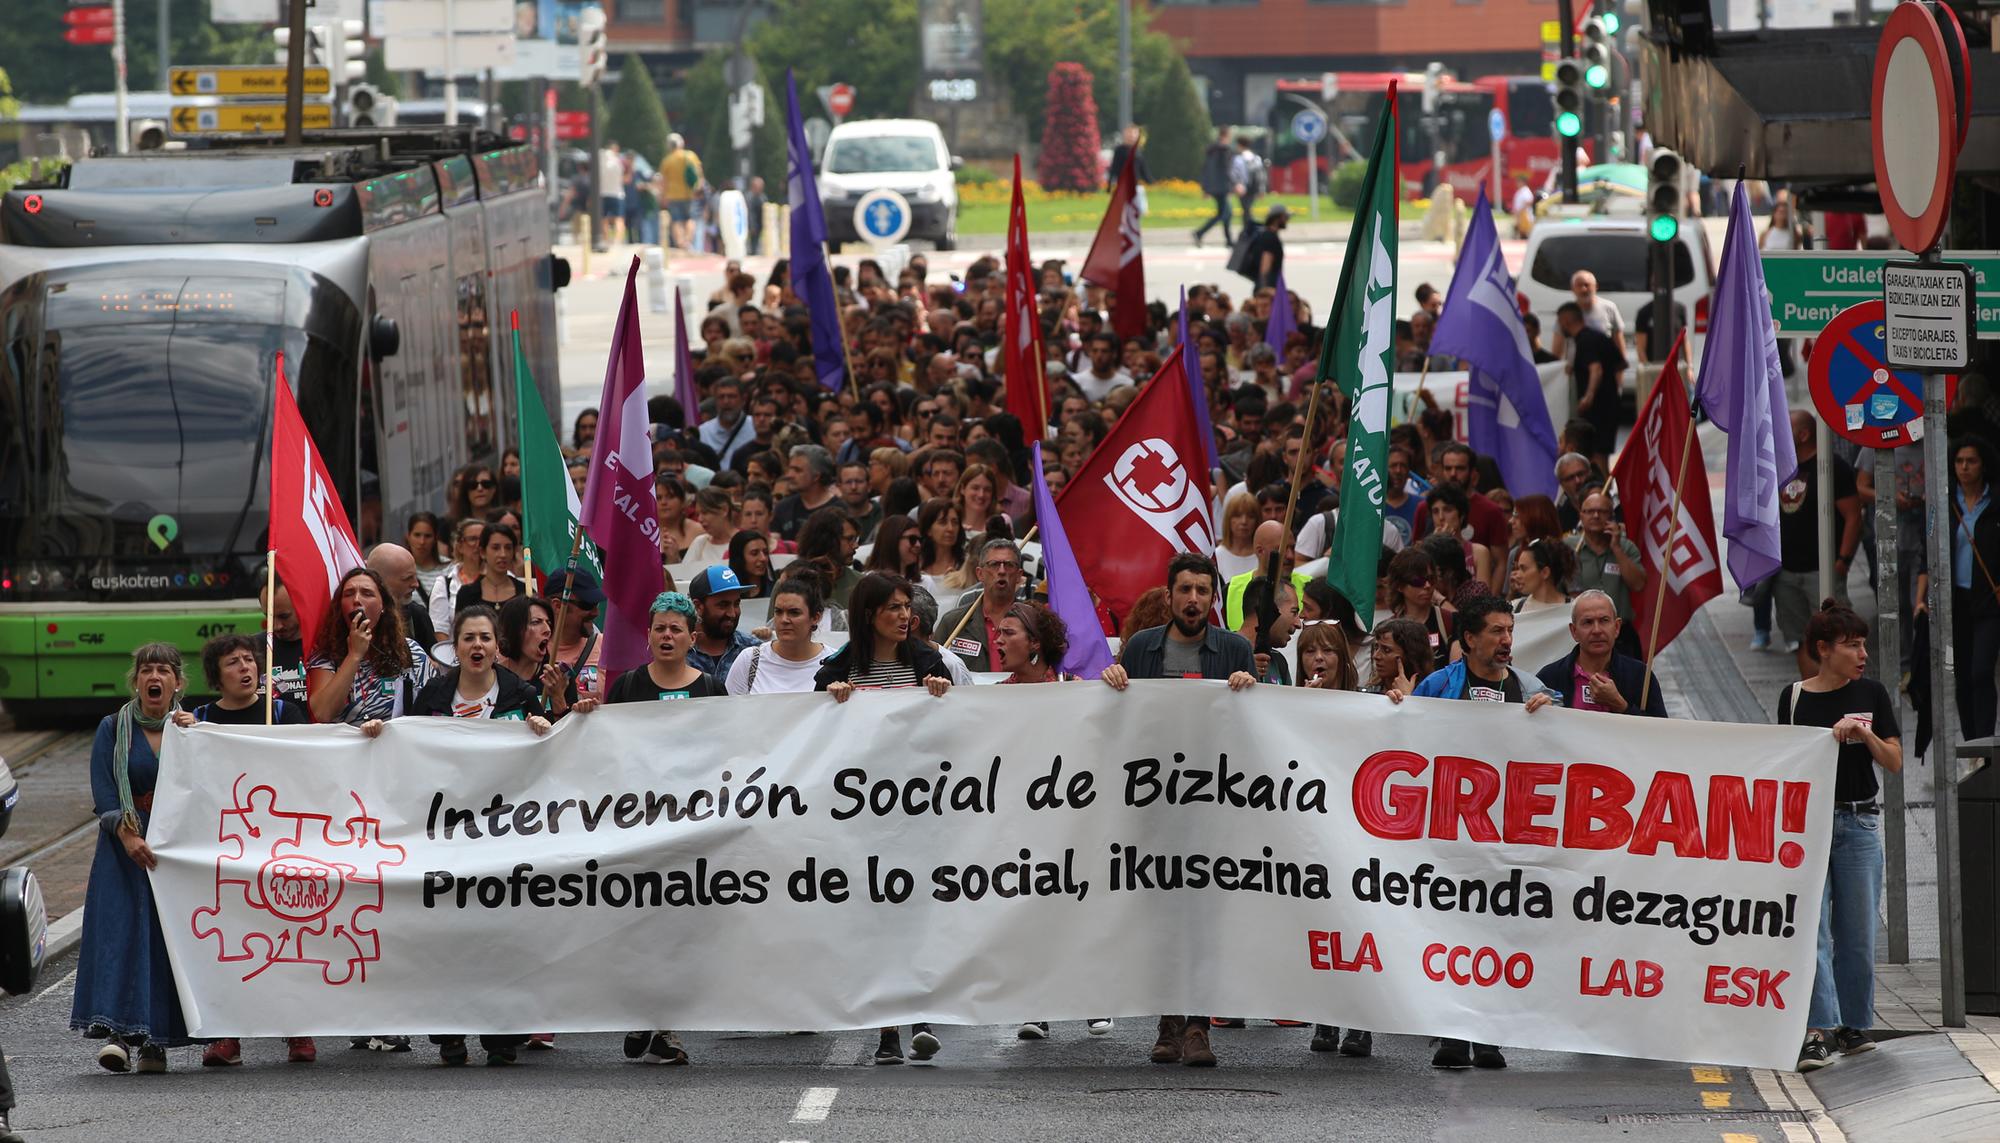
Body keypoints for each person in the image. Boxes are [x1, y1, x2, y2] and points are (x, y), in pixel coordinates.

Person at [1388, 594, 1558, 1070]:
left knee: (1498, 933)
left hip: (1505, 839)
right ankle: (1451, 1032)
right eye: (1497, 632)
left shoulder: (1531, 689)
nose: (1507, 641)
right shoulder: (1440, 686)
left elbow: (1565, 748)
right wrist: (1398, 708)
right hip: (1447, 839)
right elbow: (1402, 742)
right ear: (1469, 639)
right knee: (1450, 932)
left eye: (1510, 631)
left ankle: (1488, 1032)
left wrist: (1554, 714)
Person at [1098, 553, 1256, 1068]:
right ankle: (1168, 1019)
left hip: (1212, 805)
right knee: (1163, 915)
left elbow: (1256, 730)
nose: (1193, 599)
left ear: (1214, 599)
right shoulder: (1143, 648)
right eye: (1184, 590)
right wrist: (1114, 681)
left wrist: (1251, 693)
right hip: (1154, 806)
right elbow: (1119, 722)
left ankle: (1197, 1027)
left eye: (1202, 591)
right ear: (1169, 596)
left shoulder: (1233, 649)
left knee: (1204, 917)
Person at [813, 572, 954, 1066]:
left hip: (918, 811)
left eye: (906, 607)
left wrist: (940, 692)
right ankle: (887, 1029)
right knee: (876, 915)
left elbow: (956, 732)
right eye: (893, 607)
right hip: (862, 817)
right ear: (869, 614)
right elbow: (809, 734)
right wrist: (828, 697)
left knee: (917, 913)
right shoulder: (838, 668)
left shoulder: (929, 663)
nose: (903, 615)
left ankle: (921, 1015)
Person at [1779, 601, 1901, 1071]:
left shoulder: (1871, 693)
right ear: (1823, 650)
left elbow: (1892, 761)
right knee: (1811, 930)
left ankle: (1853, 1024)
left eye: (1863, 644)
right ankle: (1818, 1029)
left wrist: (1862, 735)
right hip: (1808, 827)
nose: (1862, 653)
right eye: (1852, 645)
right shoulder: (1794, 698)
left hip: (1859, 823)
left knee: (1857, 932)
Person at [72, 643, 194, 1074]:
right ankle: (120, 1036)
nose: (153, 677)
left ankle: (155, 1044)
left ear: (177, 682)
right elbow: (104, 789)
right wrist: (126, 836)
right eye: (146, 670)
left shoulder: (191, 728)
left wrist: (197, 735)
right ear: (137, 681)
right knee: (121, 934)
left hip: (174, 847)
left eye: (163, 670)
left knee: (163, 941)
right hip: (125, 847)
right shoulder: (113, 726)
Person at [1916, 437, 2000, 739]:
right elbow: (1928, 551)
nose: (1964, 467)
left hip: (1990, 603)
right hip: (1955, 603)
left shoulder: (1995, 503)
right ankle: (1972, 744)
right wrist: (1921, 599)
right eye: (1959, 461)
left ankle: (1987, 740)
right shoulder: (1944, 504)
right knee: (1961, 675)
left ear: (1984, 464)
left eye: (1971, 461)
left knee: (1980, 672)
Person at [1775, 410, 1862, 677]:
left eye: (1785, 428)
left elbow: (1853, 516)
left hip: (1822, 572)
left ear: (1803, 434)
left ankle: (1839, 699)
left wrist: (1843, 561)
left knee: (1836, 638)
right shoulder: (1781, 467)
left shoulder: (1832, 466)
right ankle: (1812, 700)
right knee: (1802, 640)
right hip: (1787, 574)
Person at [307, 567, 434, 730]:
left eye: (367, 593)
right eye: (349, 594)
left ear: (383, 607)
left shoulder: (412, 652)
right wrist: (354, 655)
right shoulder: (326, 656)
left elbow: (432, 710)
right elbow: (323, 713)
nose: (357, 600)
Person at [1535, 590, 1668, 716]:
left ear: (1616, 627)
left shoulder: (1641, 676)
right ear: (1574, 631)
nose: (1597, 630)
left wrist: (1620, 705)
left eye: (1604, 620)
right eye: (1588, 622)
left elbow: (1661, 734)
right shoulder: (1549, 678)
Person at [1566, 491, 1646, 659]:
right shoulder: (1569, 548)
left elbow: (1638, 584)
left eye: (1602, 512)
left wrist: (1616, 548)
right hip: (1583, 635)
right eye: (1589, 511)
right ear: (1581, 515)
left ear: (1611, 516)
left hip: (1620, 635)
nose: (1595, 515)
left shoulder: (1625, 547)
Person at [726, 575, 833, 694]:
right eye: (778, 612)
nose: (784, 620)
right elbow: (728, 709)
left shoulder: (835, 662)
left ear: (815, 618)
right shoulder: (750, 660)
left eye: (794, 613)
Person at [936, 538, 1027, 670]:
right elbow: (933, 668)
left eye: (1009, 565)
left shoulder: (1032, 622)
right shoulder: (953, 622)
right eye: (994, 564)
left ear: (1019, 575)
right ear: (980, 574)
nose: (1001, 571)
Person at [1556, 302, 1626, 472]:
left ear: (1566, 321)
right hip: (1610, 404)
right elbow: (1619, 364)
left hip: (1598, 408)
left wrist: (1589, 396)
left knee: (1597, 452)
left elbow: (1595, 369)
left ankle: (1601, 491)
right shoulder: (1599, 337)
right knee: (1602, 452)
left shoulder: (1584, 341)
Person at [498, 595, 580, 719]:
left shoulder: (560, 676)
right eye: (536, 622)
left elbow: (570, 733)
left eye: (549, 623)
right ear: (513, 629)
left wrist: (558, 697)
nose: (547, 630)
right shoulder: (493, 678)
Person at [687, 566, 758, 683]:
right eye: (723, 605)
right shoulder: (678, 653)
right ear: (698, 606)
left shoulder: (754, 651)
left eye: (736, 603)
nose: (732, 614)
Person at [368, 542, 438, 648]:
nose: (416, 584)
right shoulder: (358, 618)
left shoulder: (417, 616)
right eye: (407, 578)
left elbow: (433, 661)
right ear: (379, 580)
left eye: (415, 577)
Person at [428, 518, 486, 636]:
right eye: (472, 539)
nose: (478, 544)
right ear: (460, 546)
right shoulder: (445, 584)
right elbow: (439, 630)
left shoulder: (506, 579)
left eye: (483, 539)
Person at [773, 445, 840, 542]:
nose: (790, 475)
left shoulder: (838, 510)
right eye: (790, 469)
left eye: (797, 470)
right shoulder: (782, 507)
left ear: (816, 476)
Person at [261, 575, 310, 707]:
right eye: (269, 617)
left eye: (284, 616)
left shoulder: (324, 646)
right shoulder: (251, 651)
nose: (276, 626)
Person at [455, 523, 526, 613]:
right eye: (495, 548)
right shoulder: (467, 594)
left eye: (508, 548)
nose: (503, 554)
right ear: (482, 552)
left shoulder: (525, 591)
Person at [915, 498, 968, 603]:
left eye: (955, 522)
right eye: (943, 522)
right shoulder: (914, 564)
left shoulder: (966, 565)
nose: (950, 528)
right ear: (928, 529)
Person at [659, 133, 704, 251]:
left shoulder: (667, 161)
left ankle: (680, 244)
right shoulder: (690, 156)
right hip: (690, 193)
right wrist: (698, 187)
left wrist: (663, 196)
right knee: (690, 218)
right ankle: (688, 241)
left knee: (676, 220)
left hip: (673, 195)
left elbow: (664, 181)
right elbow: (699, 172)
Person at [1194, 126, 1235, 248]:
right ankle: (1199, 233)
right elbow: (1227, 171)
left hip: (1214, 187)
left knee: (1226, 213)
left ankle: (1228, 240)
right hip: (1223, 187)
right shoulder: (1225, 150)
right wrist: (1232, 186)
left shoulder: (1212, 150)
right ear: (1226, 136)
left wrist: (1206, 188)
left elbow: (1206, 170)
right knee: (1223, 214)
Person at [1511, 538, 1574, 613]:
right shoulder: (1514, 609)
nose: (1517, 575)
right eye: (1518, 568)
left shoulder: (1574, 610)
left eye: (1523, 569)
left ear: (1545, 573)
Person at [685, 486, 740, 565]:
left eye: (705, 513)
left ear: (724, 510)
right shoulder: (700, 542)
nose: (700, 519)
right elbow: (685, 573)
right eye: (698, 514)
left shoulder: (744, 542)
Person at [405, 511, 448, 598]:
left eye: (428, 536)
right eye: (417, 535)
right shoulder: (398, 568)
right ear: (408, 536)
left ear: (435, 538)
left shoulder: (449, 568)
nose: (422, 542)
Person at [1248, 205, 1288, 291]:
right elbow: (1265, 264)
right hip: (1269, 288)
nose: (1287, 220)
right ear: (1277, 219)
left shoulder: (1265, 234)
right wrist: (1264, 289)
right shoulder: (1269, 237)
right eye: (1285, 217)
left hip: (1268, 286)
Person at [727, 530, 776, 598]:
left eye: (765, 552)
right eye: (754, 553)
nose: (763, 558)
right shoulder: (727, 594)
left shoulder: (776, 590)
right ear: (739, 558)